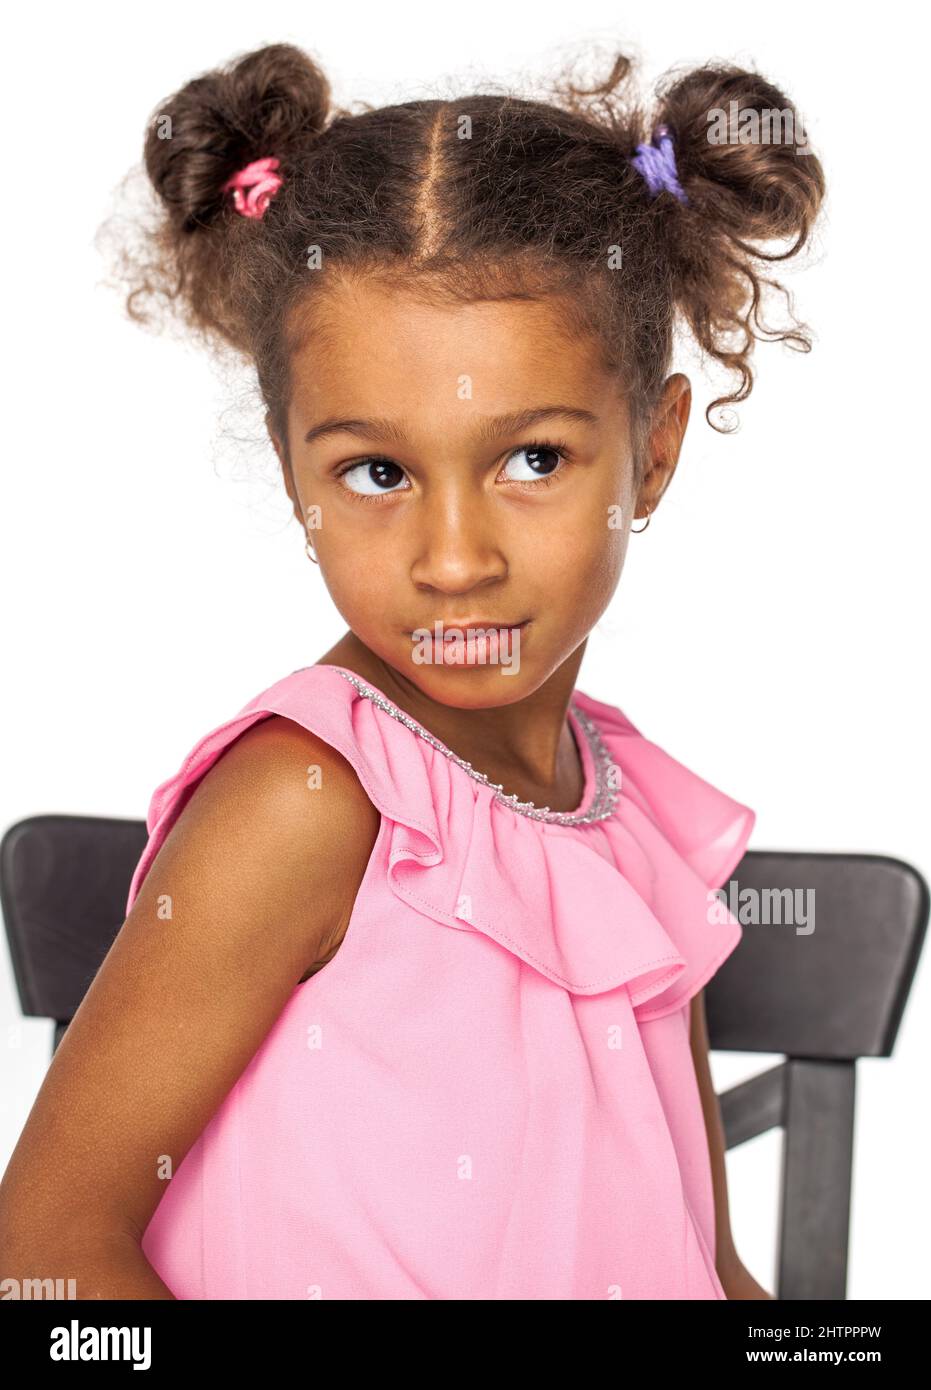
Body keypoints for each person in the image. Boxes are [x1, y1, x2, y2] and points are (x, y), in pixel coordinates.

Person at [0, 41, 824, 1299]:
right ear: (292, 470)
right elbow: (42, 1262)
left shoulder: (627, 808)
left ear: (652, 450)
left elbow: (701, 1266)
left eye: (533, 460)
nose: (453, 559)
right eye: (376, 473)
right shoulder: (307, 802)